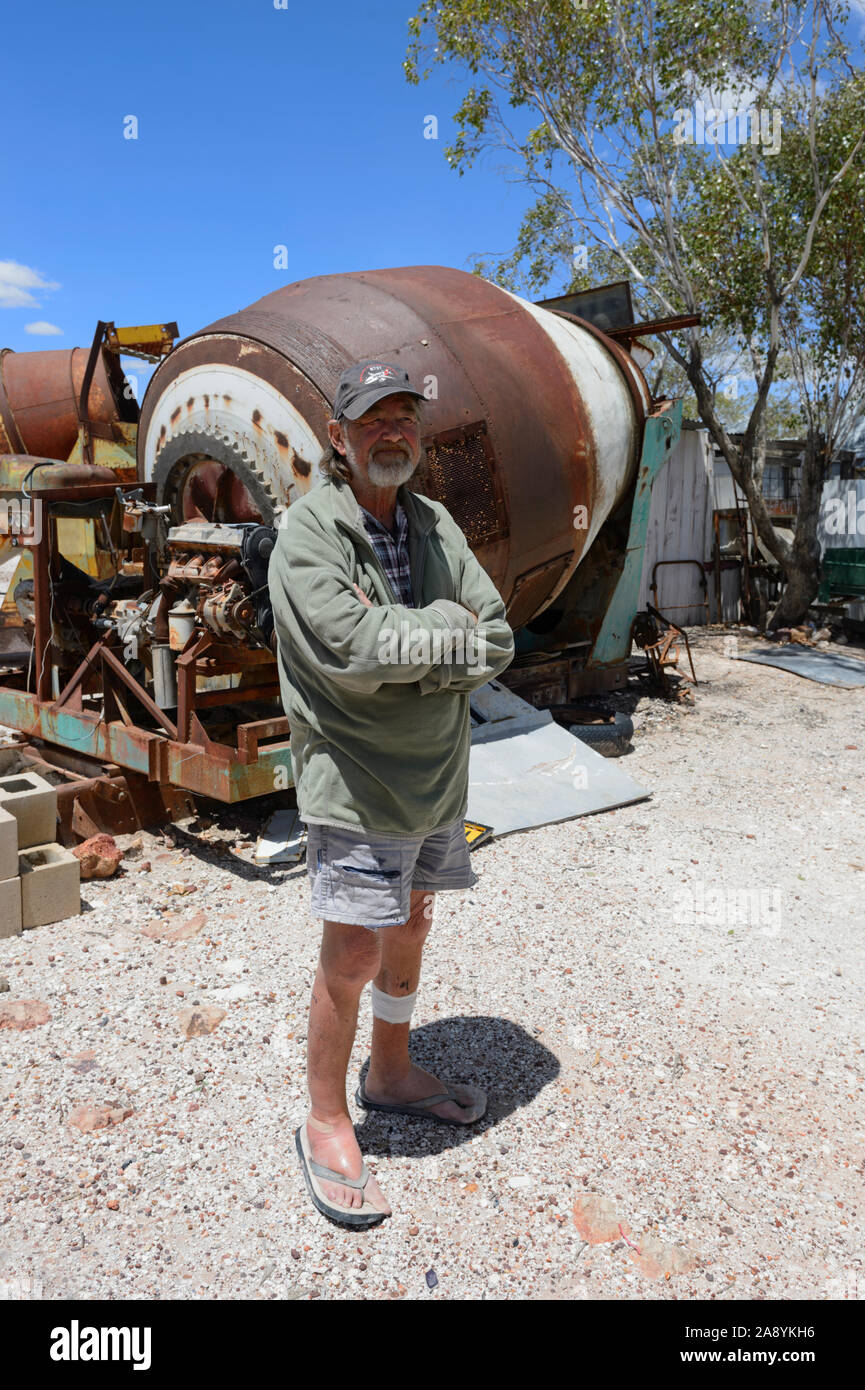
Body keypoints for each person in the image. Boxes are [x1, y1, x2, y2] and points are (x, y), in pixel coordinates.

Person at [268, 359, 515, 1227]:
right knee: (352, 952)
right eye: (373, 419)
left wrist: (426, 651)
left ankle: (391, 1073)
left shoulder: (435, 523)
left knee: (411, 921)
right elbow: (356, 652)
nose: (392, 432)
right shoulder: (307, 534)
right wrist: (441, 642)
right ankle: (326, 1119)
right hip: (359, 782)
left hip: (437, 776)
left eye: (405, 417)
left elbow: (497, 640)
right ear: (338, 438)